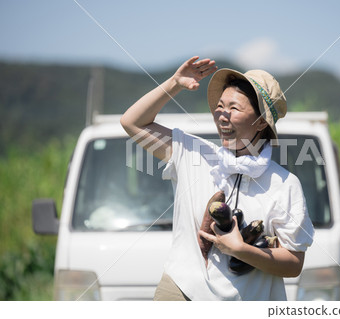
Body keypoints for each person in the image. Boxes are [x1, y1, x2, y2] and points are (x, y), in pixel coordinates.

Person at [120, 56, 314, 301]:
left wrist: (240, 250)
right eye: (220, 106)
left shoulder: (284, 184)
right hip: (180, 292)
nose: (222, 115)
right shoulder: (194, 153)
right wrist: (175, 83)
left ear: (261, 121)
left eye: (234, 108)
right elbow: (132, 122)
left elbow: (294, 263)